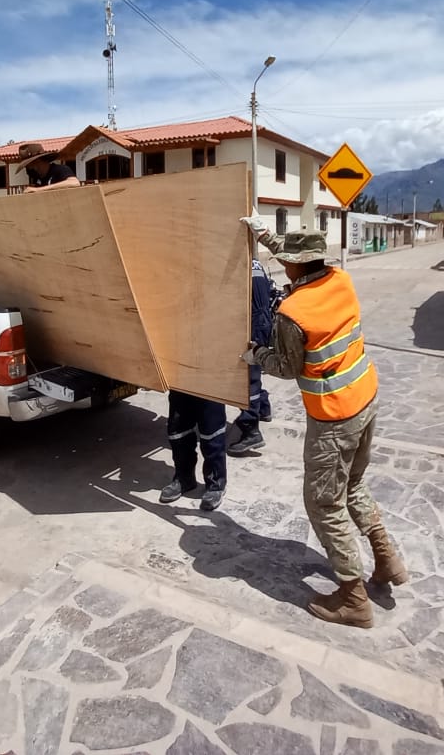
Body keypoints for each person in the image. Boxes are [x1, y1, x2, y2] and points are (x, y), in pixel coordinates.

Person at [239, 221, 408, 628]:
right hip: (365, 398)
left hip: (333, 416)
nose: (281, 265)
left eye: (285, 261)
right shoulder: (341, 279)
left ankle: (353, 598)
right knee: (353, 485)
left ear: (294, 267)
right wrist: (262, 233)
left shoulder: (293, 312)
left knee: (323, 503)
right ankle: (387, 560)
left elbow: (285, 366)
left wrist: (253, 354)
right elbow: (295, 251)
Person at [226, 257, 278, 456]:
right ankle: (263, 408)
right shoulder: (254, 262)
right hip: (262, 321)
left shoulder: (238, 263)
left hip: (253, 325)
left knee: (249, 379)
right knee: (254, 372)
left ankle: (251, 431)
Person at [160, 390, 227, 512]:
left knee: (211, 433)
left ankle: (216, 485)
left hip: (211, 380)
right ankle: (184, 478)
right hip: (179, 379)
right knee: (178, 431)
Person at [14, 142, 81, 193]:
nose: (28, 169)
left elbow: (75, 183)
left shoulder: (60, 170)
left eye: (29, 165)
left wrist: (38, 190)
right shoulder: (38, 179)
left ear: (37, 161)